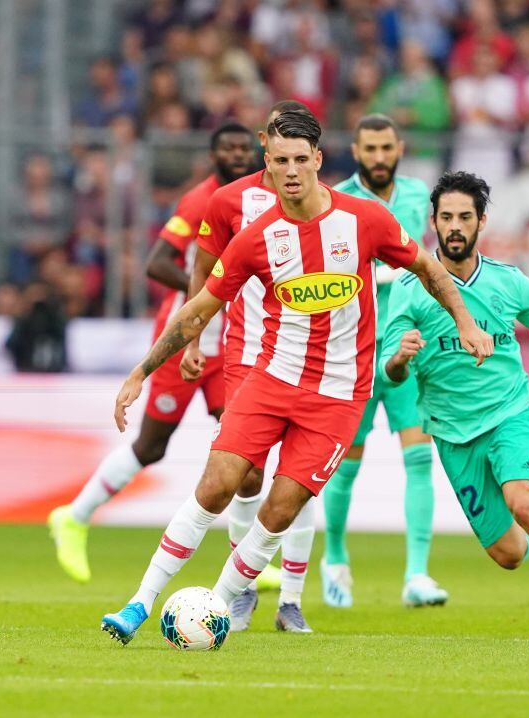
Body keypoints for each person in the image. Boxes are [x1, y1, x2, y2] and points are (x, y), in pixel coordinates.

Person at [99, 111, 492, 646]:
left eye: (300, 161)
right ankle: (139, 603)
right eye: (280, 161)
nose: (290, 171)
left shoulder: (365, 220)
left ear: (318, 161)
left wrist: (465, 322)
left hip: (337, 397)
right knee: (217, 485)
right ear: (268, 161)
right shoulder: (256, 238)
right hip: (270, 380)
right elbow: (198, 311)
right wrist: (142, 371)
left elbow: (428, 267)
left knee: (281, 508)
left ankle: (215, 606)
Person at [380, 171, 529, 639]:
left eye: (465, 217)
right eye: (446, 217)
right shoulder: (409, 288)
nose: (455, 226)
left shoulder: (508, 281)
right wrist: (399, 358)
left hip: (509, 414)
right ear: (432, 222)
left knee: (522, 500)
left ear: (481, 222)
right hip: (453, 434)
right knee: (510, 554)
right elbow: (387, 370)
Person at [47, 122, 258, 584]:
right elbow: (157, 261)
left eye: (246, 148)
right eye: (229, 148)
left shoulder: (259, 199)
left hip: (232, 341)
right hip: (183, 334)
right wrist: (209, 292)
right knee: (151, 445)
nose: (239, 155)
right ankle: (74, 516)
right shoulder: (202, 200)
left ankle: (247, 561)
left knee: (244, 447)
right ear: (213, 154)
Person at [182, 100, 315, 633]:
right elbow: (203, 267)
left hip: (312, 356)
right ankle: (240, 593)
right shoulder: (229, 201)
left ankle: (292, 599)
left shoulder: (326, 202)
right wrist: (195, 338)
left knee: (298, 478)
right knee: (245, 475)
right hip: (246, 354)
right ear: (265, 142)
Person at [320, 114, 446, 609]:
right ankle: (334, 561)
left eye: (385, 148)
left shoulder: (420, 197)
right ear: (355, 149)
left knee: (419, 456)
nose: (377, 157)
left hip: (409, 348)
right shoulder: (337, 201)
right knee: (345, 463)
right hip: (354, 350)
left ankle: (417, 575)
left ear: (400, 148)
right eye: (369, 148)